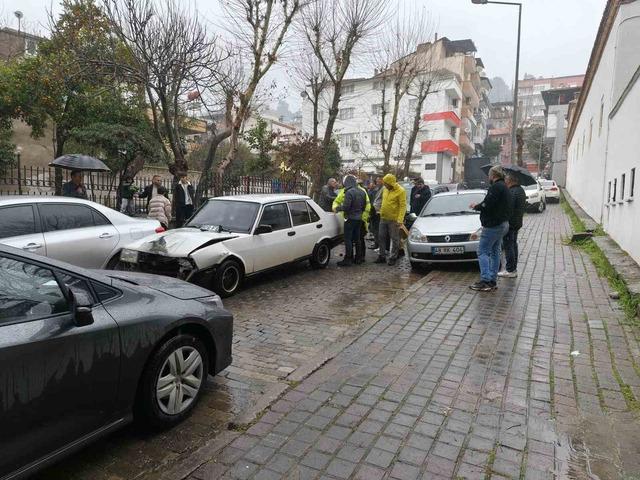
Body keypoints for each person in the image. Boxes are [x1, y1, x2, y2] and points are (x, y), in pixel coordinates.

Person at [469, 165, 512, 291]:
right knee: (495, 251)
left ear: (493, 175)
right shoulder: (505, 187)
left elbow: (487, 204)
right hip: (503, 224)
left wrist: (476, 206)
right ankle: (492, 280)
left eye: (489, 175)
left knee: (482, 251)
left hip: (493, 225)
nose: (488, 177)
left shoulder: (496, 187)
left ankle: (486, 280)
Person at [333, 175, 367, 266]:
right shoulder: (362, 191)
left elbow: (346, 207)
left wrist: (337, 208)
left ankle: (348, 259)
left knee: (348, 239)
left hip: (350, 219)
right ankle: (358, 258)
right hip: (359, 219)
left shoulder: (349, 192)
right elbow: (364, 206)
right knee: (357, 239)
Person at [498, 172, 527, 278]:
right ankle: (513, 268)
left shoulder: (512, 192)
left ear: (510, 180)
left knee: (509, 246)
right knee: (513, 245)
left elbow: (508, 207)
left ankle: (510, 270)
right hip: (517, 222)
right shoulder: (520, 190)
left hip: (510, 223)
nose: (505, 180)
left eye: (506, 179)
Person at [375, 174, 406, 266]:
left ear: (390, 183)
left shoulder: (401, 191)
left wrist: (400, 220)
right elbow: (381, 200)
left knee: (395, 239)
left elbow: (403, 206)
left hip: (394, 220)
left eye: (386, 183)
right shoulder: (385, 189)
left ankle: (393, 257)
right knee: (381, 237)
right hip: (383, 217)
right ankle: (382, 256)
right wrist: (378, 209)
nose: (384, 185)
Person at [368, 177, 383, 249]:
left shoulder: (382, 189)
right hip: (374, 212)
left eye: (378, 181)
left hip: (378, 212)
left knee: (377, 229)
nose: (377, 183)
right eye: (376, 181)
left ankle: (378, 244)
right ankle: (376, 243)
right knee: (374, 229)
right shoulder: (377, 189)